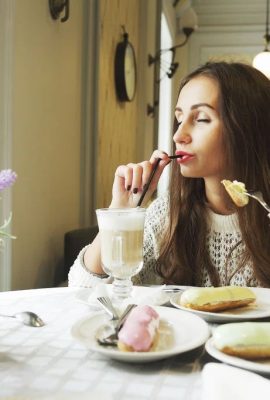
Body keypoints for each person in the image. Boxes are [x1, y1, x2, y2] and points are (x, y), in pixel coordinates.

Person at [68, 61, 270, 288]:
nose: (178, 135)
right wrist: (121, 212)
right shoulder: (168, 215)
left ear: (247, 128)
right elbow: (82, 289)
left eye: (201, 119)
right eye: (179, 119)